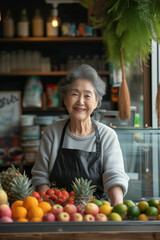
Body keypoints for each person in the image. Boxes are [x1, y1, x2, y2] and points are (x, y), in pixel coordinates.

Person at [31, 64, 129, 206]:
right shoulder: (52, 133)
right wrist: (50, 209)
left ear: (96, 102)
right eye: (75, 94)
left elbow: (114, 176)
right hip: (57, 212)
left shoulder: (107, 135)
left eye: (87, 96)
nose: (81, 102)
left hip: (97, 213)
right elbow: (41, 177)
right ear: (65, 99)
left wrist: (118, 208)